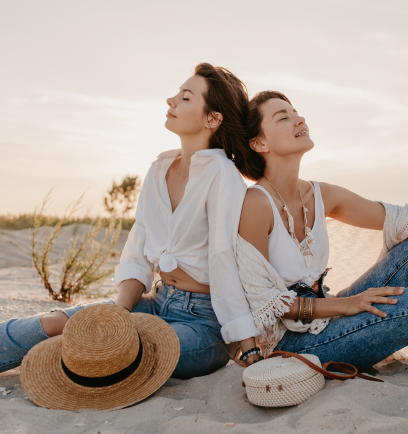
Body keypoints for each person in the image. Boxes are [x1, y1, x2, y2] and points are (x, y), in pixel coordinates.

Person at [0, 63, 259, 379]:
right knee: (57, 323)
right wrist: (115, 315)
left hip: (203, 324)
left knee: (123, 347)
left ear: (213, 118)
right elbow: (137, 253)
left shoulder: (224, 176)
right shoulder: (158, 170)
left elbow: (223, 261)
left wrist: (249, 345)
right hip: (154, 302)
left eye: (186, 97)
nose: (171, 100)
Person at [235, 90, 408, 370]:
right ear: (259, 142)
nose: (298, 119)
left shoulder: (320, 194)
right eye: (283, 117)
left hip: (327, 314)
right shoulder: (256, 203)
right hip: (293, 343)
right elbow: (266, 303)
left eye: (296, 112)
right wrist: (348, 304)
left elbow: (401, 218)